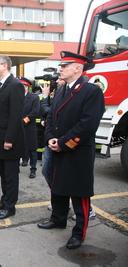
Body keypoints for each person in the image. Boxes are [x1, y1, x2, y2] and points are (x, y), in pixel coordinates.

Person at [37, 51, 104, 249]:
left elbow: (88, 124)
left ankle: (79, 232)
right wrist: (50, 138)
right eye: (61, 65)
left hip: (77, 151)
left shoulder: (91, 91)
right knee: (58, 187)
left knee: (79, 192)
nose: (60, 68)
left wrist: (64, 142)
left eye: (65, 65)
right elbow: (51, 118)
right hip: (58, 147)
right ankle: (58, 219)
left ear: (78, 68)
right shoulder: (61, 90)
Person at [0, 55, 25, 219]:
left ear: (4, 66)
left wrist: (9, 140)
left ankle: (10, 207)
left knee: (10, 175)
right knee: (3, 173)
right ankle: (4, 201)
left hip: (9, 141)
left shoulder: (15, 85)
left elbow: (15, 116)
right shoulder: (1, 85)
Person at [19, 77, 40, 178]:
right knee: (18, 147)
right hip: (18, 127)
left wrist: (24, 120)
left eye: (23, 86)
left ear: (27, 87)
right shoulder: (17, 97)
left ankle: (33, 169)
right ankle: (18, 166)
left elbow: (35, 112)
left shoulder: (34, 97)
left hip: (29, 127)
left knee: (32, 149)